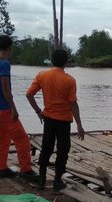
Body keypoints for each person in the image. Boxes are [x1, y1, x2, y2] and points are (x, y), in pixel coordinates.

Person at [26, 49, 84, 191]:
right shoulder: (70, 80)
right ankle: (57, 181)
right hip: (64, 121)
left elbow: (29, 94)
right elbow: (73, 104)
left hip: (48, 119)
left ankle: (42, 179)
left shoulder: (42, 75)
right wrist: (79, 125)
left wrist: (38, 111)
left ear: (52, 61)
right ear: (66, 62)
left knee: (46, 148)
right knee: (63, 150)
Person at [0, 35, 38, 180]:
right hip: (4, 109)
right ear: (10, 48)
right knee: (22, 140)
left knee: (1, 139)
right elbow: (5, 88)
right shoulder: (4, 64)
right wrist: (13, 108)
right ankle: (26, 170)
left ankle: (1, 168)